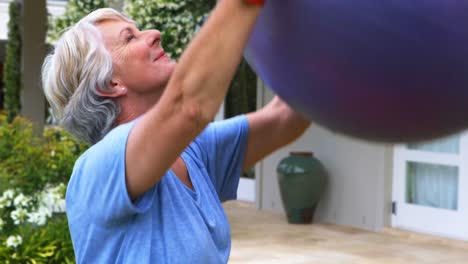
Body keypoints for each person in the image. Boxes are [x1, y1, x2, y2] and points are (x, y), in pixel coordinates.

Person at [41, 1, 310, 263]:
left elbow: (284, 119)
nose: (154, 34)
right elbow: (189, 106)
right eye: (130, 38)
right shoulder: (100, 166)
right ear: (111, 84)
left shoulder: (193, 149)